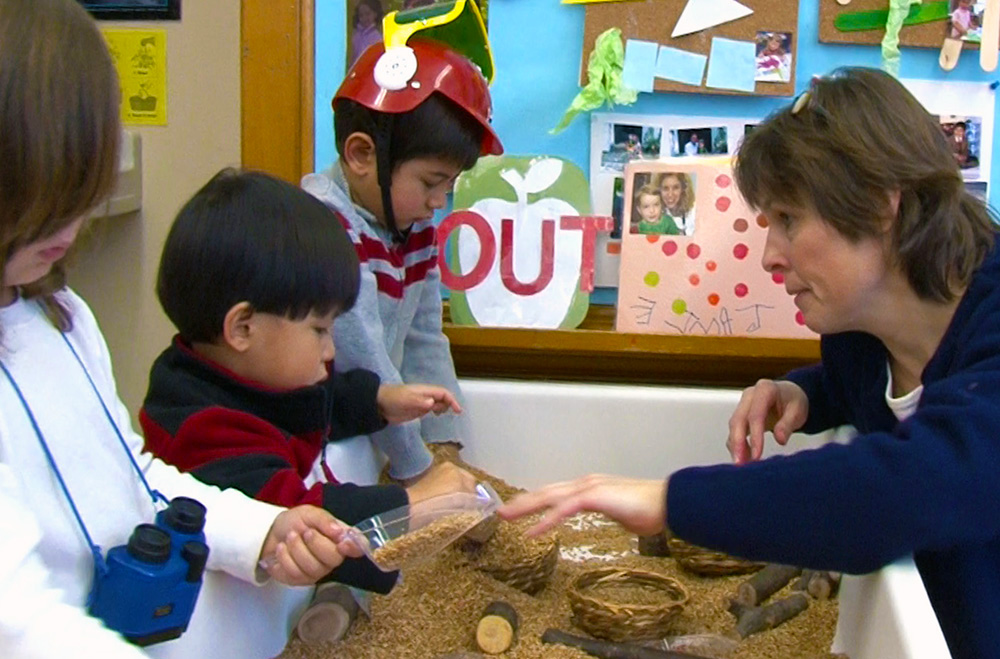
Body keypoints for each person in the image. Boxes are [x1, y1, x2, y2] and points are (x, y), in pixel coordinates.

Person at [499, 67, 1000, 659]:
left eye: (788, 221)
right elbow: (882, 388)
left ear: (879, 206)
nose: (769, 257)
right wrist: (808, 395)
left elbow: (911, 485)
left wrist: (669, 500)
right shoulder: (859, 336)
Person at [0, 2, 358, 657]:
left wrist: (261, 531)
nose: (71, 232)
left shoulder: (63, 315)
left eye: (80, 200)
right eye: (46, 203)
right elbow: (16, 615)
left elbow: (133, 473)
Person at [140, 168, 478, 636]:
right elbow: (298, 516)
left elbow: (317, 403)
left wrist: (381, 401)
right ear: (242, 328)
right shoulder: (202, 428)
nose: (331, 350)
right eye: (319, 330)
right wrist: (413, 503)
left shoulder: (247, 374)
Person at [302, 37, 503, 484]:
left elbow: (423, 337)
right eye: (432, 182)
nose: (439, 202)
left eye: (449, 186)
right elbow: (365, 357)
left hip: (378, 430)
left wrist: (445, 448)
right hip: (321, 445)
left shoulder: (413, 225)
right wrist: (420, 470)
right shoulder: (326, 227)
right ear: (361, 155)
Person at [349, 0, 383, 68]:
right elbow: (353, 55)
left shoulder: (377, 37)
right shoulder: (356, 34)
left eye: (368, 14)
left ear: (375, 14)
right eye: (361, 15)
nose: (364, 18)